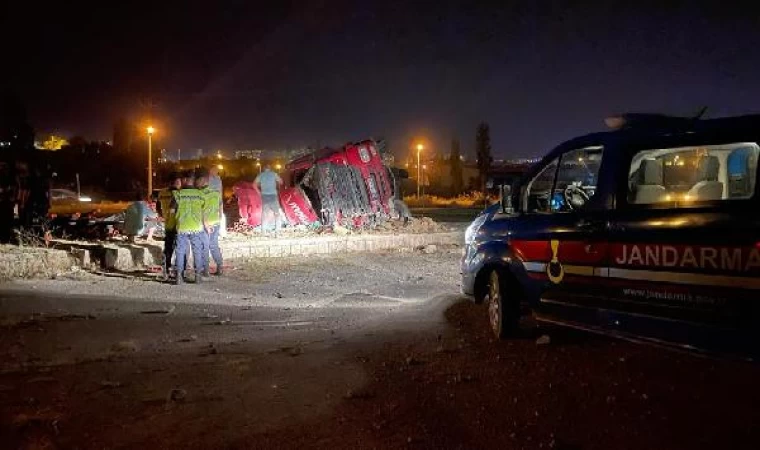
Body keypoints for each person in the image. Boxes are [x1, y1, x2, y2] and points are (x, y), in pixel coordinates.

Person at [170, 171, 205, 285]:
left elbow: (171, 211)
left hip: (182, 227)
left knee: (180, 251)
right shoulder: (200, 194)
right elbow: (203, 210)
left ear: (184, 180)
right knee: (197, 251)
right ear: (193, 180)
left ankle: (179, 277)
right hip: (196, 227)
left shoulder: (178, 194)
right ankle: (198, 277)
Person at [197, 168, 224, 276]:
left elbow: (201, 211)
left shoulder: (201, 194)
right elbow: (220, 205)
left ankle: (206, 269)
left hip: (206, 224)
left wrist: (206, 224)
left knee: (205, 246)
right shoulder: (215, 193)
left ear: (202, 180)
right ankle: (220, 266)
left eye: (197, 181)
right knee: (214, 245)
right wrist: (220, 217)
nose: (196, 183)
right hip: (216, 222)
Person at [156, 172, 182, 279]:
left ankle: (166, 269)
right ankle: (177, 270)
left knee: (168, 248)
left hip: (167, 224)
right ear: (176, 182)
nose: (180, 184)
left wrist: (162, 215)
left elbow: (158, 206)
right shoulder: (178, 194)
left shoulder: (162, 193)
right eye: (179, 182)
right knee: (179, 248)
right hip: (178, 225)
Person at [255, 164, 283, 231]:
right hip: (273, 196)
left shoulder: (261, 175)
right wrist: (278, 183)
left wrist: (259, 192)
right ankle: (278, 229)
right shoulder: (274, 174)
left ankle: (263, 230)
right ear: (270, 168)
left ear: (264, 169)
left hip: (264, 196)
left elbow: (254, 184)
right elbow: (281, 182)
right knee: (276, 213)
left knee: (265, 213)